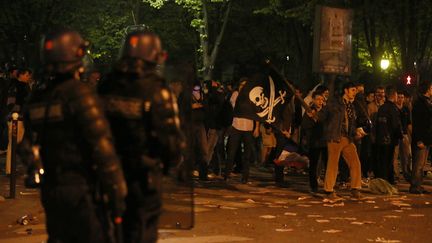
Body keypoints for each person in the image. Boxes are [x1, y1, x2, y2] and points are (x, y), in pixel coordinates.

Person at [20, 29, 127, 243]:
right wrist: (118, 198)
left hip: (52, 190)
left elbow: (26, 145)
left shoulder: (38, 97)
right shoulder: (80, 95)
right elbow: (103, 152)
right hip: (82, 190)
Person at [99, 29, 185, 242]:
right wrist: (171, 160)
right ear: (154, 54)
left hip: (107, 173)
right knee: (141, 231)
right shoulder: (157, 90)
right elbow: (171, 141)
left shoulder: (107, 84)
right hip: (143, 177)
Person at [316, 82, 365, 202]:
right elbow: (323, 116)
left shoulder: (352, 106)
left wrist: (356, 133)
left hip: (347, 138)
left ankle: (355, 188)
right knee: (333, 163)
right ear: (346, 90)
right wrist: (315, 113)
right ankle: (328, 190)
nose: (355, 93)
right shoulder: (334, 103)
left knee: (355, 162)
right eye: (353, 90)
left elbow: (351, 123)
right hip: (335, 136)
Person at [374, 86, 402, 184]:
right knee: (389, 161)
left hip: (380, 138)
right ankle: (388, 180)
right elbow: (395, 125)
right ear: (394, 95)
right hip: (390, 139)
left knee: (382, 160)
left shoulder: (381, 108)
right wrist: (400, 136)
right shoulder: (393, 109)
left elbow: (378, 124)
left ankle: (382, 179)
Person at [302, 91, 327, 193]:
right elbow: (304, 126)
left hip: (325, 141)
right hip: (314, 141)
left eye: (322, 99)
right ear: (313, 100)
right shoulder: (309, 111)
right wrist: (312, 119)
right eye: (318, 99)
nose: (320, 102)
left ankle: (328, 184)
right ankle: (313, 186)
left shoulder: (325, 111)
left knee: (327, 164)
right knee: (314, 164)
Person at [410, 81, 432, 194]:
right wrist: (419, 139)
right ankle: (415, 185)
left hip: (427, 137)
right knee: (418, 163)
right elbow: (418, 123)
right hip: (422, 138)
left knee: (422, 164)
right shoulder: (420, 104)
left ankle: (418, 184)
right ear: (427, 90)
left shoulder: (427, 102)